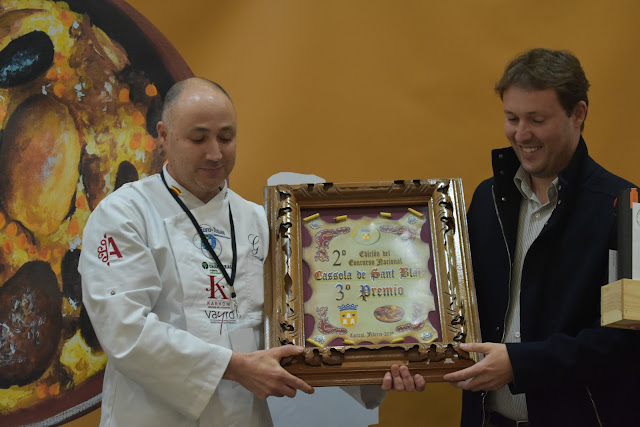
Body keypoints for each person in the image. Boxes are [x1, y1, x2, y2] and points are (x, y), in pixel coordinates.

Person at [79, 77, 417, 427]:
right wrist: (235, 367)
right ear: (163, 135)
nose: (215, 153)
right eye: (198, 139)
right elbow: (124, 330)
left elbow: (308, 321)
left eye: (226, 138)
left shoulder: (262, 221)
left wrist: (376, 364)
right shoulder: (124, 214)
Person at [443, 48, 640, 426]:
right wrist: (414, 353)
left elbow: (626, 340)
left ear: (578, 114)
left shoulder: (626, 209)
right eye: (512, 118)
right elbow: (457, 308)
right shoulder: (486, 199)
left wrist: (521, 364)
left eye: (537, 119)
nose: (521, 134)